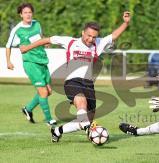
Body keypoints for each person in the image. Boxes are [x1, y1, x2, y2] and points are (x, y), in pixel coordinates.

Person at [20, 11, 131, 142]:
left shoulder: (98, 44)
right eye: (89, 35)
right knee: (81, 102)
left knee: (85, 120)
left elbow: (114, 35)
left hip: (89, 84)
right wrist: (27, 48)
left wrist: (126, 23)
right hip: (72, 82)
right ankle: (87, 127)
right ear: (83, 33)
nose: (91, 39)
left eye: (94, 37)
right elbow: (47, 39)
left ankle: (57, 131)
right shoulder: (70, 42)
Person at [5, 3, 56, 126]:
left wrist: (45, 43)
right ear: (21, 15)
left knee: (48, 91)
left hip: (42, 60)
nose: (28, 14)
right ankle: (49, 120)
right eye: (25, 12)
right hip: (31, 63)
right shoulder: (17, 30)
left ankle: (28, 109)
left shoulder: (37, 24)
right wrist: (8, 61)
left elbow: (40, 37)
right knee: (43, 92)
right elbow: (8, 46)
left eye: (30, 12)